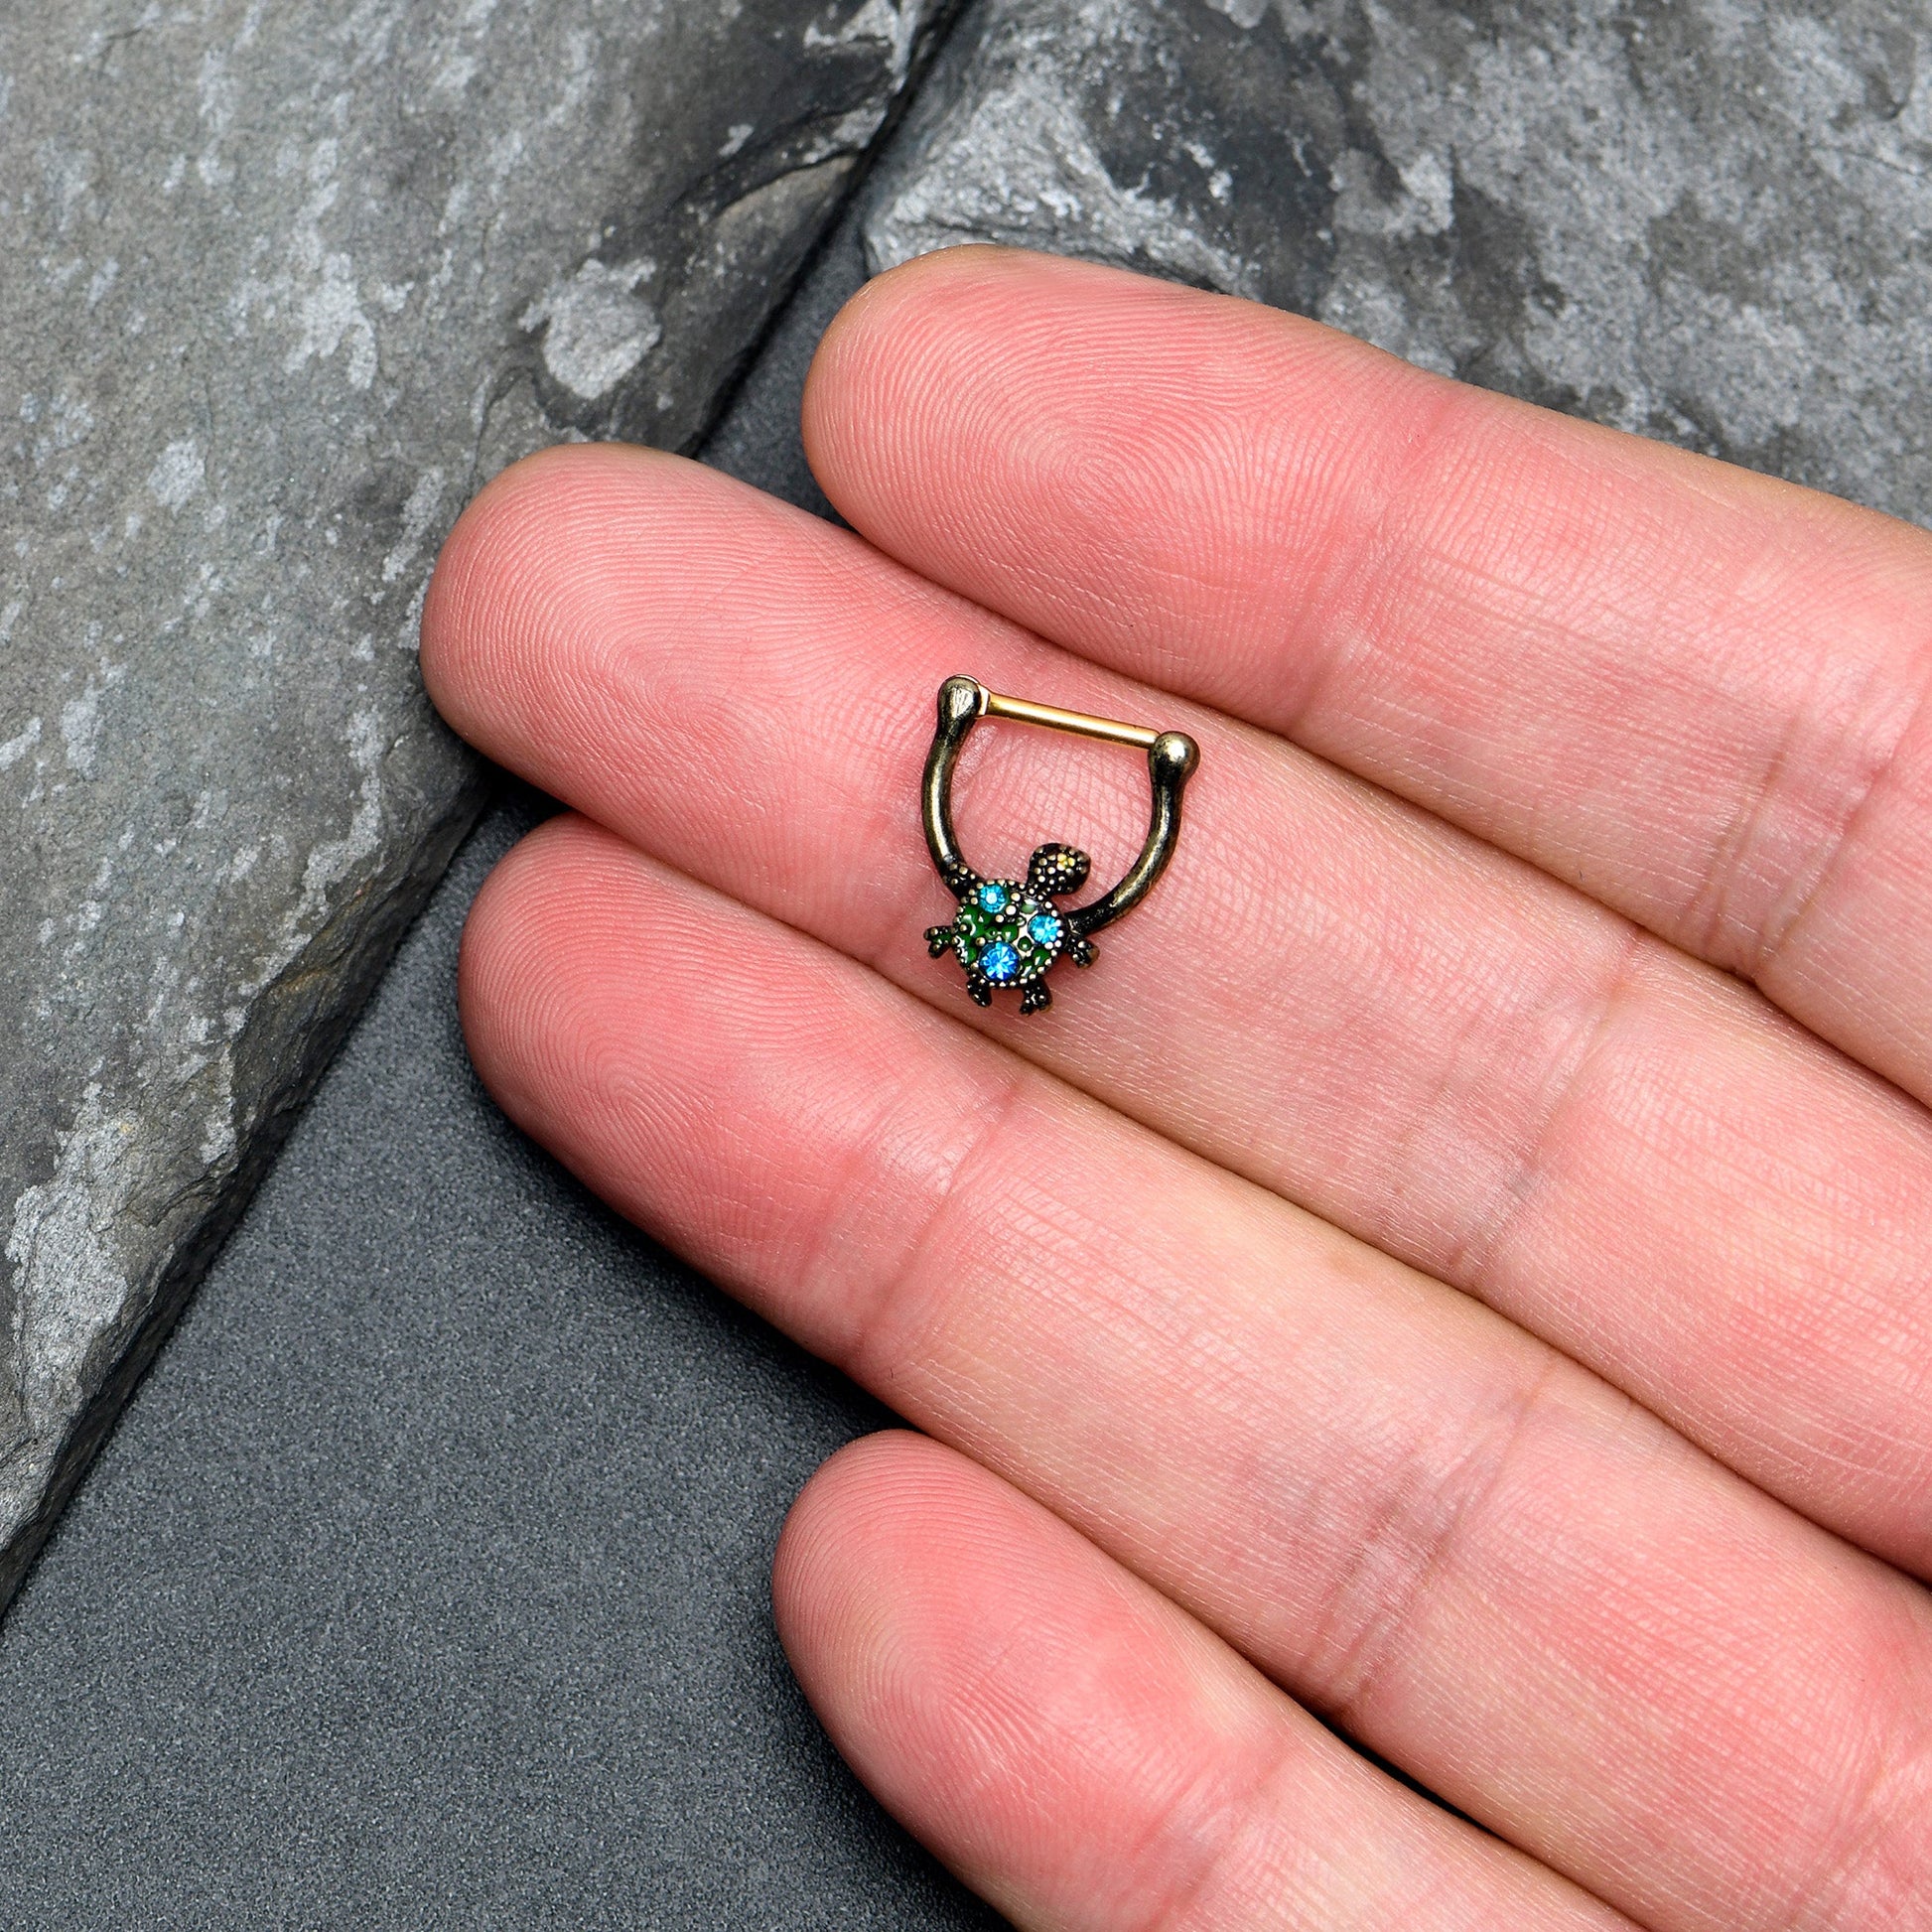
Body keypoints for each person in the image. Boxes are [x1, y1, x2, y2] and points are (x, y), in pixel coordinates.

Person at [420, 245, 1932, 1930]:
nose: (1057, 866)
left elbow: (1020, 857)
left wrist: (994, 753)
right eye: (1058, 864)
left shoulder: (1041, 897)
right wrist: (997, 757)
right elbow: (991, 851)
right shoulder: (1031, 897)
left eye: (1061, 866)